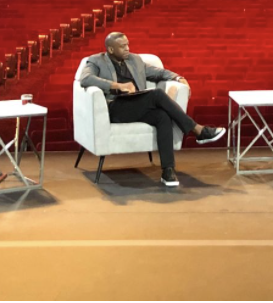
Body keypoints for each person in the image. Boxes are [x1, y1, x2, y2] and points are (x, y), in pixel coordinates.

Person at [79, 31, 226, 187]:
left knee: (162, 116)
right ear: (111, 49)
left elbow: (159, 73)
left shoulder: (135, 60)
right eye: (123, 46)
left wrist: (179, 77)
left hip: (137, 105)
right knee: (157, 94)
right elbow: (85, 79)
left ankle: (168, 171)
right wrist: (117, 86)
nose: (127, 48)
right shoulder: (96, 61)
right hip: (116, 108)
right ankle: (197, 130)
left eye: (128, 44)